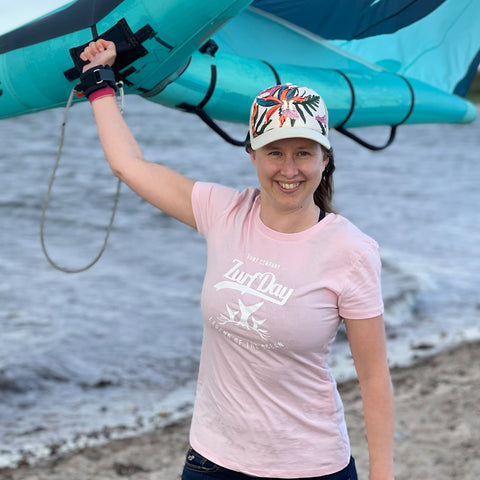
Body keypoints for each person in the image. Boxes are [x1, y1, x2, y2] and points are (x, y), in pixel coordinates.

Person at [79, 39, 395, 480]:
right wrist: (100, 82)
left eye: (303, 152)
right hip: (212, 460)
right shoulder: (224, 212)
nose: (289, 169)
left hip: (309, 466)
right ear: (253, 155)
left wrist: (383, 474)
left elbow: (375, 379)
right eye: (274, 152)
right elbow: (128, 164)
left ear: (325, 158)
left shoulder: (351, 251)